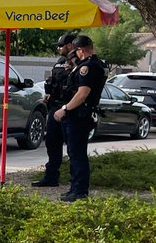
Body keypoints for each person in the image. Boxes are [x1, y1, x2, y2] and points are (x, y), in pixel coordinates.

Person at [53, 35, 107, 201]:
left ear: (80, 50)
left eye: (75, 51)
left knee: (77, 154)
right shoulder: (93, 64)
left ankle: (79, 191)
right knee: (75, 153)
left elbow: (82, 93)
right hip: (80, 115)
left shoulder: (88, 67)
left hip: (79, 115)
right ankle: (75, 188)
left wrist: (64, 109)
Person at [32, 32, 79, 187]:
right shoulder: (59, 62)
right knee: (52, 143)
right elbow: (55, 83)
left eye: (61, 45)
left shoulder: (80, 63)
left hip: (70, 108)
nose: (59, 48)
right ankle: (51, 177)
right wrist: (49, 95)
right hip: (54, 106)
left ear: (71, 45)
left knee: (73, 148)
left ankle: (76, 183)